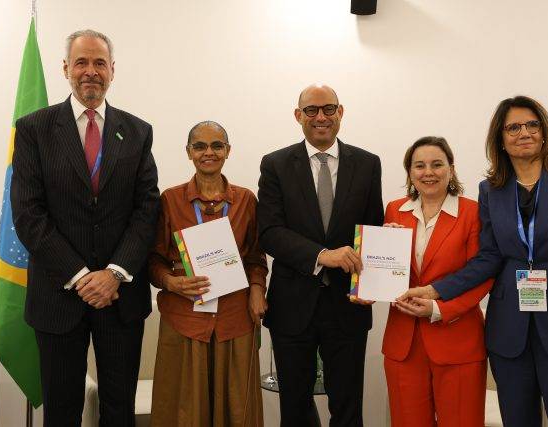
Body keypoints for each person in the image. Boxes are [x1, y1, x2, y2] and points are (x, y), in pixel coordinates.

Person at [403, 96, 548, 426]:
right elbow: (489, 258)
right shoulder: (491, 190)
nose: (523, 133)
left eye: (532, 125)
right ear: (501, 139)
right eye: (513, 127)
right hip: (509, 334)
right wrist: (435, 290)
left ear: (544, 132)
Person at [10, 29, 160, 425]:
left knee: (119, 412)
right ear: (66, 69)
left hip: (120, 297)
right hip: (57, 297)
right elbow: (28, 214)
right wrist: (80, 276)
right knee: (61, 413)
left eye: (99, 63)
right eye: (81, 62)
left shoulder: (138, 131)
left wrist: (113, 273)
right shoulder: (34, 129)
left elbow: (147, 210)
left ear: (112, 70)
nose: (90, 71)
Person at [257, 84, 384, 426]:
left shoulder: (368, 164)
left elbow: (372, 230)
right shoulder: (276, 164)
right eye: (311, 110)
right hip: (292, 307)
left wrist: (377, 275)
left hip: (348, 306)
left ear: (341, 112)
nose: (321, 117)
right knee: (295, 409)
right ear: (298, 116)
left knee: (348, 408)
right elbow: (269, 232)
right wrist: (322, 255)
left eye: (328, 108)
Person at [148, 121, 267, 426]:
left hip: (235, 319)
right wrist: (171, 282)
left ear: (228, 150)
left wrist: (257, 289)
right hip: (185, 319)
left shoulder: (246, 200)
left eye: (217, 146)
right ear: (189, 152)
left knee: (237, 410)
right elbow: (153, 259)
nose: (208, 153)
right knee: (184, 411)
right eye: (200, 146)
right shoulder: (170, 200)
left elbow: (256, 256)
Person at [382, 137, 492, 426]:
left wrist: (439, 309)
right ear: (410, 172)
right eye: (419, 165)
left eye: (437, 164)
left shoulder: (473, 212)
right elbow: (385, 271)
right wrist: (376, 260)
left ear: (451, 170)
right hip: (403, 343)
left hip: (457, 338)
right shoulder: (394, 210)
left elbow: (482, 274)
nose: (428, 172)